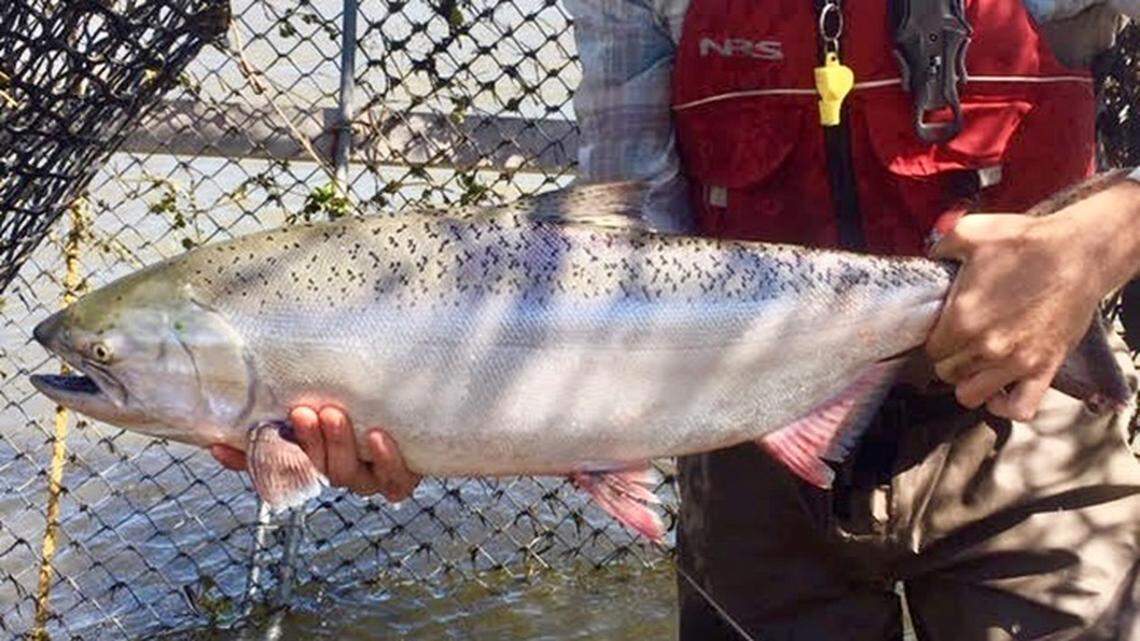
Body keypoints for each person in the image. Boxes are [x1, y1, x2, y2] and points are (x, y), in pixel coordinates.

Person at [214, 0, 1140, 637]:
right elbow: (626, 240)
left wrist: (1105, 234)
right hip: (741, 440)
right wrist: (433, 411)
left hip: (1030, 417)